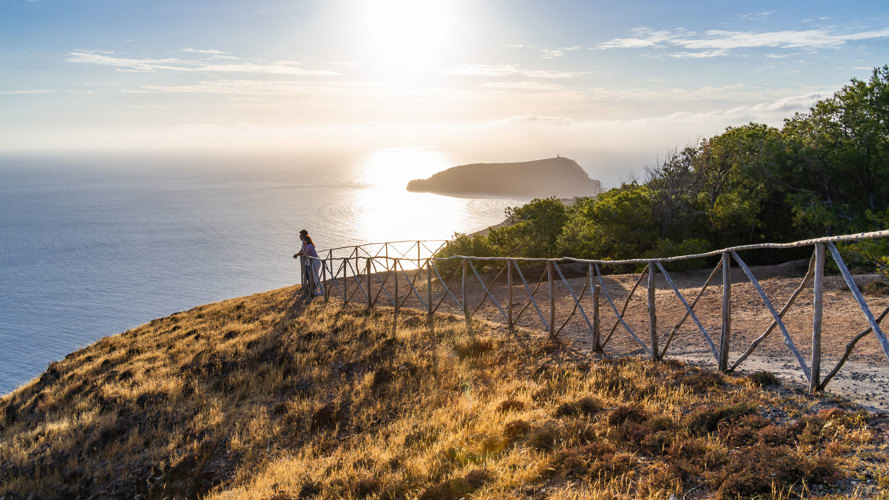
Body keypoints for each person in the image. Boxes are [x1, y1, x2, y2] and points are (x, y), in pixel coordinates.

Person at [293, 229, 323, 297]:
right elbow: (303, 251)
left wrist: (299, 255)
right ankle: (315, 290)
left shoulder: (309, 246)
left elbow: (305, 254)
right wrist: (299, 254)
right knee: (311, 276)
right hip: (311, 262)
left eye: (300, 235)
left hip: (314, 262)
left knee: (314, 277)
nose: (299, 237)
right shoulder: (307, 245)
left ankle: (319, 291)